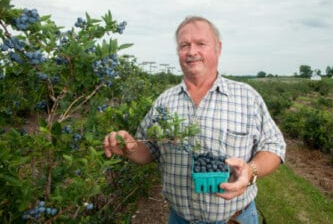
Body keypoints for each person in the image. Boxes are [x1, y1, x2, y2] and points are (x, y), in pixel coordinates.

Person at [104, 16, 286, 224]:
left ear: (218, 48)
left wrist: (251, 171)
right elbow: (148, 151)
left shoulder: (247, 97)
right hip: (180, 219)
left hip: (236, 219)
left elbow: (274, 145)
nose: (191, 51)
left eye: (201, 43)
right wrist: (130, 147)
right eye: (184, 45)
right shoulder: (164, 102)